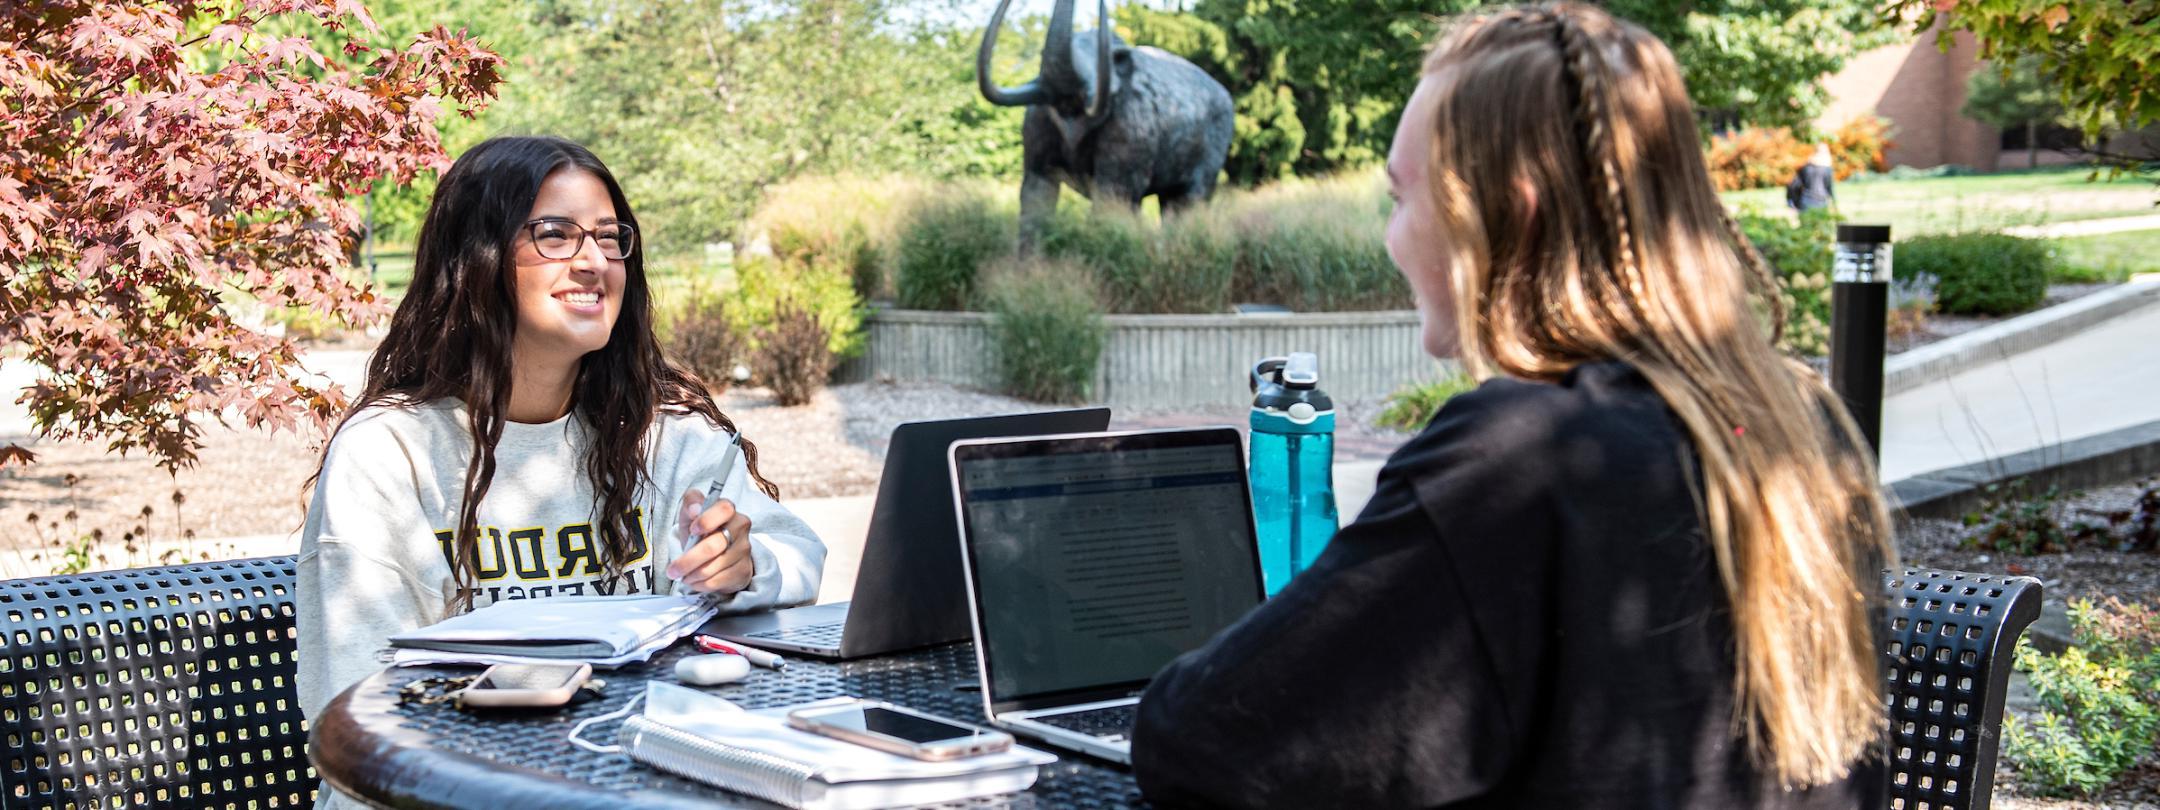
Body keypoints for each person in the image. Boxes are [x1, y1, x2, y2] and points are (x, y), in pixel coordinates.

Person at [1130, 5, 1891, 808]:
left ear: (1510, 210)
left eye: (1400, 197)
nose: (1392, 237)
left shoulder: (1523, 456)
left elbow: (1207, 744)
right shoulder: (1796, 424)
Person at [296, 136, 825, 807]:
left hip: (626, 781)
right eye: (553, 234)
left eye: (609, 237)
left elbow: (803, 559)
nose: (592, 261)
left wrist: (744, 565)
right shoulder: (390, 455)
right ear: (475, 259)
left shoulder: (666, 433)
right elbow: (351, 703)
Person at [1788, 143, 1837, 212]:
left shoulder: (1805, 168)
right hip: (1822, 202)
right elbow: (1829, 188)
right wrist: (1834, 204)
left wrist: (1792, 201)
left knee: (1806, 222)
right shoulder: (1827, 169)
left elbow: (1794, 185)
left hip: (1806, 201)